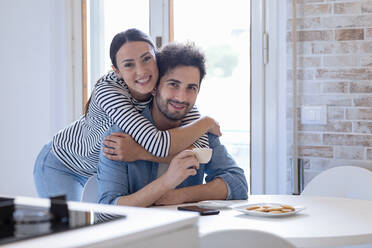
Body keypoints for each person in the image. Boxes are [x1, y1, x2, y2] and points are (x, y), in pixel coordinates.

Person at [33, 29, 220, 201]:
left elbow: (200, 151)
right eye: (129, 65)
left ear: (156, 58)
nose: (142, 71)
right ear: (117, 71)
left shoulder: (167, 90)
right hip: (63, 163)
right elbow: (159, 145)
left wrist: (138, 153)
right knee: (68, 228)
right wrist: (206, 122)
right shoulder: (109, 92)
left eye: (146, 59)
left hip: (101, 166)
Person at [98, 43, 248, 207]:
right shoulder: (121, 137)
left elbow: (238, 184)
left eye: (191, 88)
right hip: (136, 231)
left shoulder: (201, 132)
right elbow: (108, 208)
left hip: (185, 229)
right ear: (154, 88)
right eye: (173, 85)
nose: (181, 97)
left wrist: (182, 195)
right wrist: (166, 182)